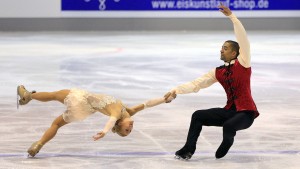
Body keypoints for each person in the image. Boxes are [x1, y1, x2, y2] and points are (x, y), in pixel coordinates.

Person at [164, 4, 259, 160]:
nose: (221, 50)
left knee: (229, 126)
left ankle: (227, 141)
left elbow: (243, 39)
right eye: (221, 47)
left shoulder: (243, 63)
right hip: (229, 112)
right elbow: (196, 84)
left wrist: (232, 17)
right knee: (197, 116)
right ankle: (188, 149)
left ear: (235, 53)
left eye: (225, 48)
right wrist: (176, 91)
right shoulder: (218, 72)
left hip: (246, 114)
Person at [17, 85, 170, 157]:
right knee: (56, 124)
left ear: (118, 124)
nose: (130, 127)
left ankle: (28, 95)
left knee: (53, 95)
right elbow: (147, 104)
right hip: (84, 112)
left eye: (126, 130)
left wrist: (104, 131)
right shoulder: (128, 111)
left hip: (81, 99)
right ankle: (38, 144)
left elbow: (111, 119)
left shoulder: (116, 113)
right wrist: (164, 99)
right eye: (130, 130)